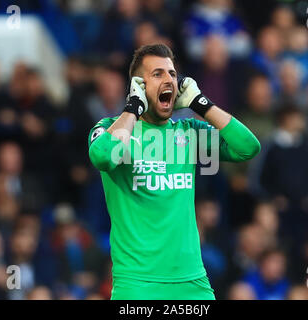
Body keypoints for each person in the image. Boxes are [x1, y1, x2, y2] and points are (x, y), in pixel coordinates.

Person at [88, 43, 261, 299]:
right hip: (138, 285)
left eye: (172, 73)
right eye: (157, 74)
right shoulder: (111, 129)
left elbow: (248, 148)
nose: (169, 79)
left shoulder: (189, 132)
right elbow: (102, 157)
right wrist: (133, 108)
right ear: (138, 85)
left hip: (193, 283)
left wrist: (202, 105)